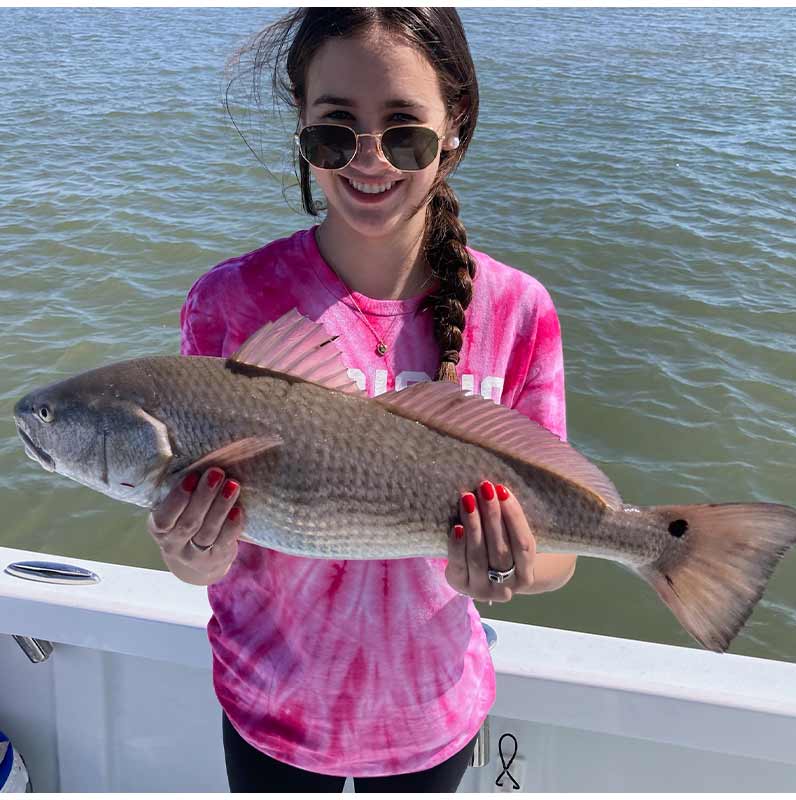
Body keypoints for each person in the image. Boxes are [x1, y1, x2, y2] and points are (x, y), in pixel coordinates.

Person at [147, 8, 577, 793]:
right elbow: (208, 556)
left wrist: (510, 570)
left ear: (456, 128)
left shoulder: (518, 310)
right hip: (268, 710)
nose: (369, 161)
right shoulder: (230, 303)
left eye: (405, 132)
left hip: (432, 716)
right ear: (302, 133)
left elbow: (562, 555)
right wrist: (189, 554)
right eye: (334, 134)